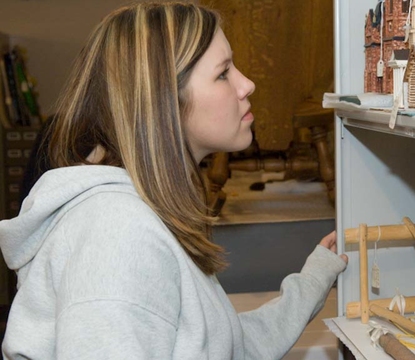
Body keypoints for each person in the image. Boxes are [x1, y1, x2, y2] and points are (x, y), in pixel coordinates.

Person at [0, 2, 348, 359]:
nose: (247, 84)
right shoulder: (118, 234)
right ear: (163, 98)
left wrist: (312, 283)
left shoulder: (139, 217)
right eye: (223, 73)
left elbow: (224, 346)